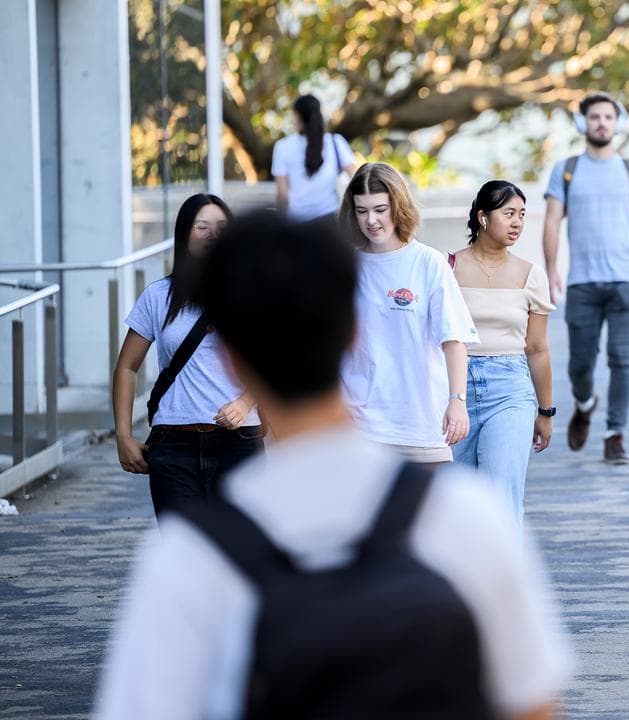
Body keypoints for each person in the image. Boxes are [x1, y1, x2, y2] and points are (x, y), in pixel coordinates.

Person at [95, 212, 572, 720]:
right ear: (354, 332)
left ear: (232, 358)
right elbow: (533, 709)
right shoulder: (465, 516)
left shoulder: (191, 559)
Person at [111, 193, 263, 517]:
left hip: (239, 443)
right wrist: (123, 435)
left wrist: (246, 402)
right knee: (182, 556)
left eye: (221, 227)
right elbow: (126, 367)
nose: (212, 235)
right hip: (173, 447)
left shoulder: (252, 290)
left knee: (239, 555)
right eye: (201, 226)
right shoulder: (158, 296)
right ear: (184, 235)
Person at [543, 92, 629, 464]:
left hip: (628, 278)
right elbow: (552, 221)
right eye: (594, 116)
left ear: (617, 124)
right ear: (583, 123)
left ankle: (615, 434)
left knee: (621, 359)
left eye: (608, 117)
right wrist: (552, 268)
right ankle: (584, 404)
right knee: (580, 364)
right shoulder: (566, 169)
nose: (601, 122)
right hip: (582, 281)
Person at [338, 162, 479, 465]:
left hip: (420, 426)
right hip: (359, 427)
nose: (371, 220)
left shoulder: (428, 262)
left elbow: (454, 341)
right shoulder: (345, 267)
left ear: (398, 206)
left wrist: (457, 402)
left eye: (380, 209)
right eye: (361, 211)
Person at [450, 180, 555, 524]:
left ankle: (502, 576)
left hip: (509, 388)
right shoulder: (447, 268)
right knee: (455, 496)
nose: (517, 223)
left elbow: (537, 348)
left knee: (501, 494)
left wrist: (546, 411)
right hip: (454, 389)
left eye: (522, 215)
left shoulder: (530, 275)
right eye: (508, 213)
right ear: (482, 217)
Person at [272, 94, 357, 222]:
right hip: (330, 223)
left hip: (297, 223)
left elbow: (282, 196)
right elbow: (356, 179)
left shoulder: (282, 147)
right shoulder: (336, 142)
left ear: (297, 116)